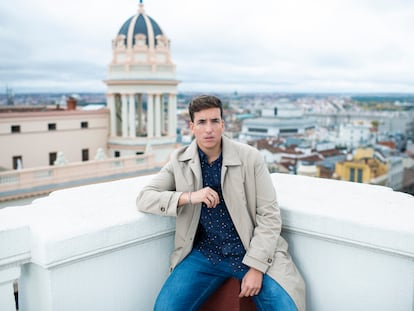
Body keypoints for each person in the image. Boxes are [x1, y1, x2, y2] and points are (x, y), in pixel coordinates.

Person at [136, 95, 305, 311]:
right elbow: (145, 197)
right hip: (206, 255)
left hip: (250, 250)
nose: (209, 129)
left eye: (214, 121)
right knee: (165, 308)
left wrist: (256, 267)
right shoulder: (179, 161)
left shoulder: (250, 158)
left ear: (223, 124)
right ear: (192, 126)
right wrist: (189, 196)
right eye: (202, 122)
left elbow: (269, 216)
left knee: (287, 308)